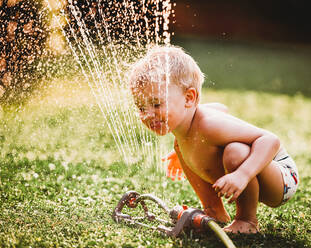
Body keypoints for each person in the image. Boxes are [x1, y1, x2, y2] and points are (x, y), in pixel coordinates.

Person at [128, 46, 299, 233]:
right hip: (258, 170)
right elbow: (221, 107)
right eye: (141, 107)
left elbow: (270, 140)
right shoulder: (187, 123)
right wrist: (182, 153)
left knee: (236, 151)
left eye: (156, 104)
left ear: (189, 98)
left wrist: (242, 174)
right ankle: (214, 211)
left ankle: (247, 220)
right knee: (180, 145)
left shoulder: (208, 125)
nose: (147, 115)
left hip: (282, 177)